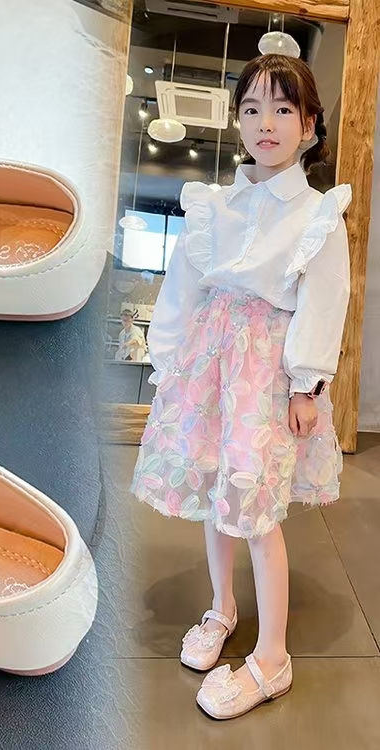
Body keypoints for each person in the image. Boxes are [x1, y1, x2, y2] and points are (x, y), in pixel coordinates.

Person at [131, 47, 351, 719]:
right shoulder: (214, 206)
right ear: (238, 121)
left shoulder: (317, 213)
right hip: (211, 364)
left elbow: (324, 301)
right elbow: (183, 288)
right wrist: (168, 364)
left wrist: (307, 385)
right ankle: (222, 606)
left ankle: (273, 657)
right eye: (252, 109)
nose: (266, 123)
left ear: (309, 125)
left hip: (267, 371)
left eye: (283, 109)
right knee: (216, 491)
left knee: (255, 505)